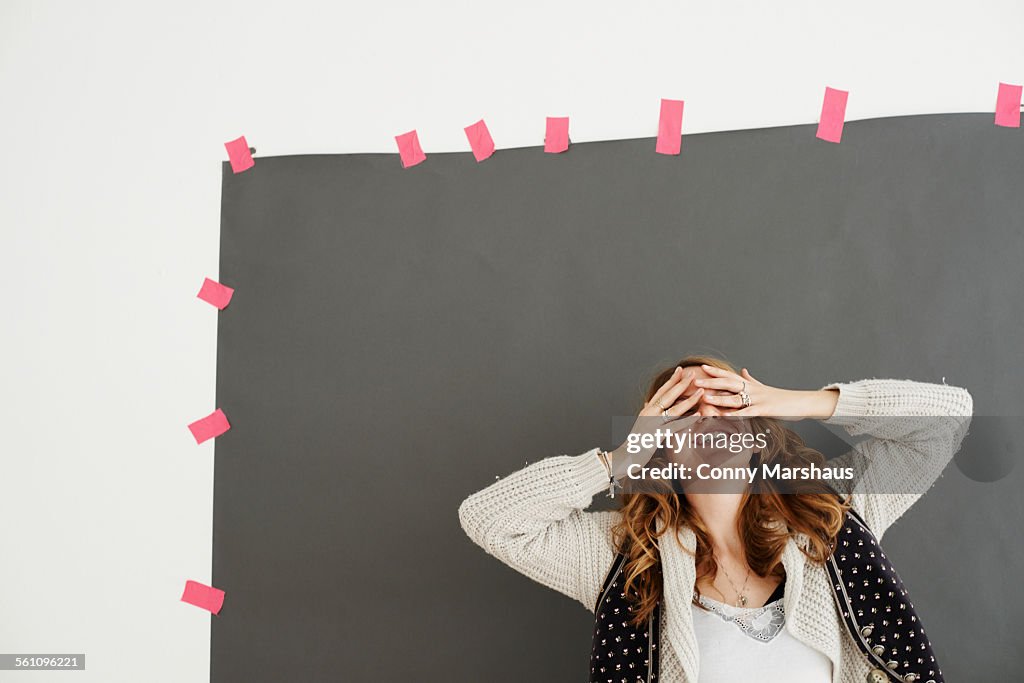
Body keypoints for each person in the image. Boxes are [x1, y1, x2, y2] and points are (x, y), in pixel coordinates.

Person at [458, 355, 972, 682]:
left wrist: (795, 403)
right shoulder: (623, 556)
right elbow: (488, 519)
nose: (709, 420)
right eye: (683, 413)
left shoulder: (832, 514)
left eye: (726, 403)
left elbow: (946, 421)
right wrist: (619, 460)